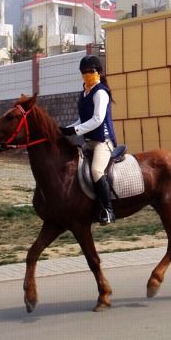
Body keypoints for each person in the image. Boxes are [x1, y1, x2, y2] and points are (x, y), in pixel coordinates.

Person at [61, 55, 117, 225]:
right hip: (89, 141)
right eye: (84, 72)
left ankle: (108, 210)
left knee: (96, 171)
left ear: (98, 72)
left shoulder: (100, 92)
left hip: (103, 141)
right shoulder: (84, 92)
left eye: (90, 71)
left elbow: (98, 119)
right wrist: (67, 129)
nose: (87, 75)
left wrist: (75, 130)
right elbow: (83, 119)